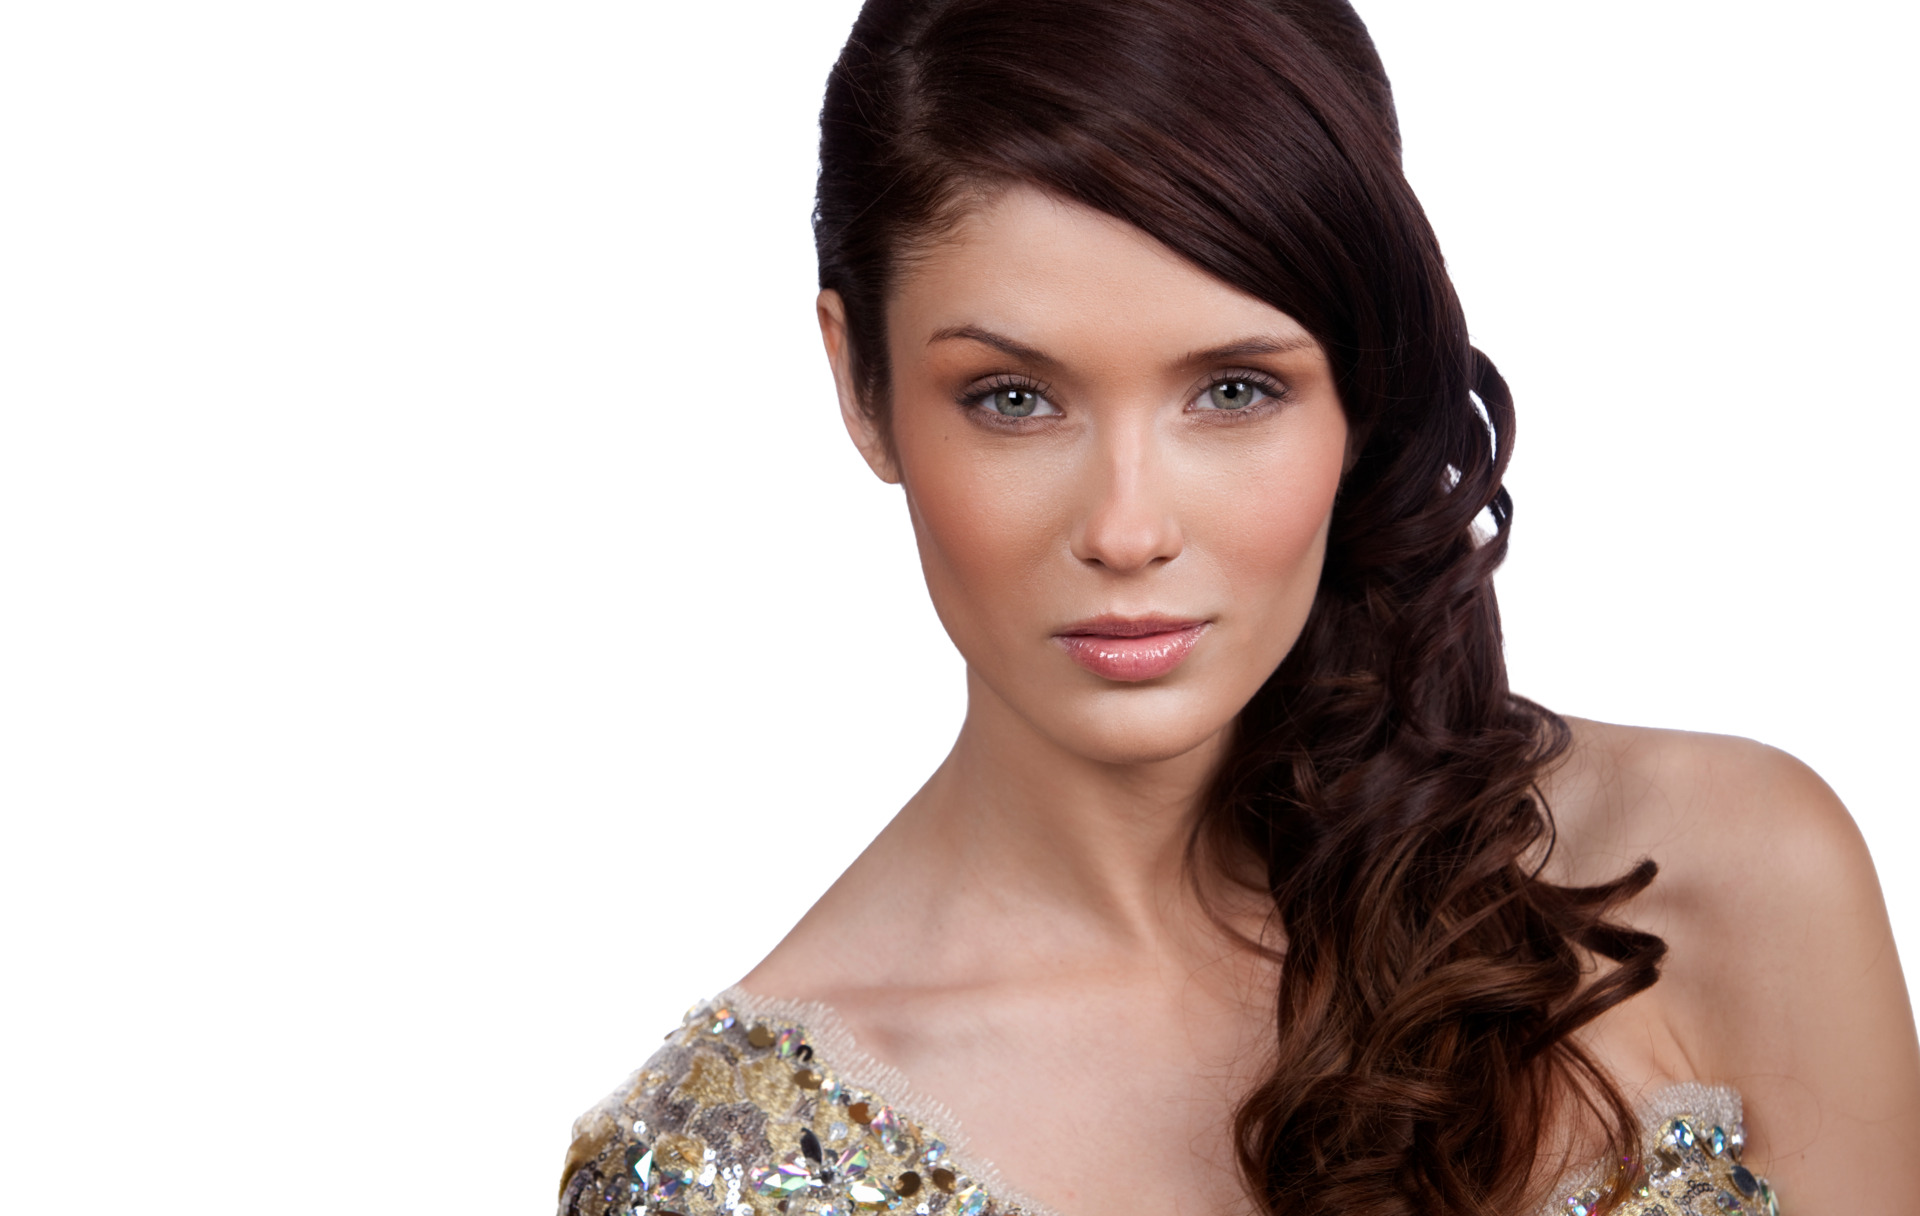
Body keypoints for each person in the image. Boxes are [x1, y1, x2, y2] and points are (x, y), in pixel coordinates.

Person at [556, 1, 1920, 1212]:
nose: (1127, 529)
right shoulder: (714, 1177)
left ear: (1364, 383)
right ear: (862, 386)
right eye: (1014, 399)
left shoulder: (1725, 881)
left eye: (1233, 390)